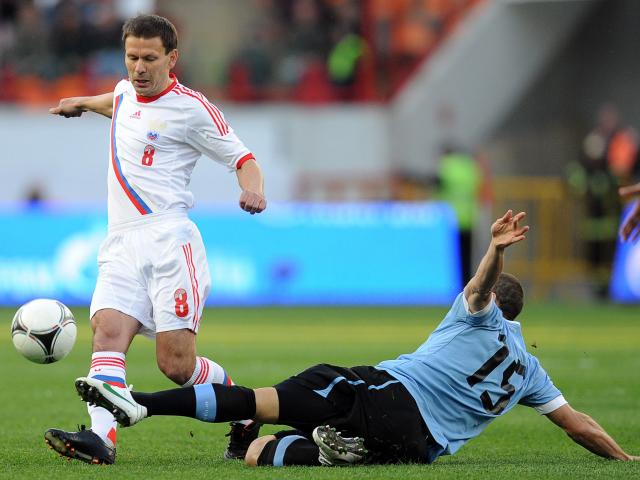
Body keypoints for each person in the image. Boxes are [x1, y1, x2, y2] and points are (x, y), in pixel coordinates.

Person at [74, 210, 639, 467]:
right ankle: (324, 449)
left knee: (260, 402)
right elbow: (578, 425)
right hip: (419, 447)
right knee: (259, 453)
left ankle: (140, 405)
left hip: (388, 392)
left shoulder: (479, 313)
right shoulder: (529, 372)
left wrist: (494, 249)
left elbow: (481, 286)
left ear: (492, 303)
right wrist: (624, 456)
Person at [44, 14, 266, 465]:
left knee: (176, 366)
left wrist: (253, 189)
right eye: (131, 58)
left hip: (169, 242)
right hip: (120, 243)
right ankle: (101, 440)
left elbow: (243, 157)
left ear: (172, 58)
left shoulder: (193, 109)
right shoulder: (125, 91)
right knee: (107, 333)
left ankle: (245, 412)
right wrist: (81, 103)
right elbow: (118, 102)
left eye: (149, 58)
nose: (139, 68)